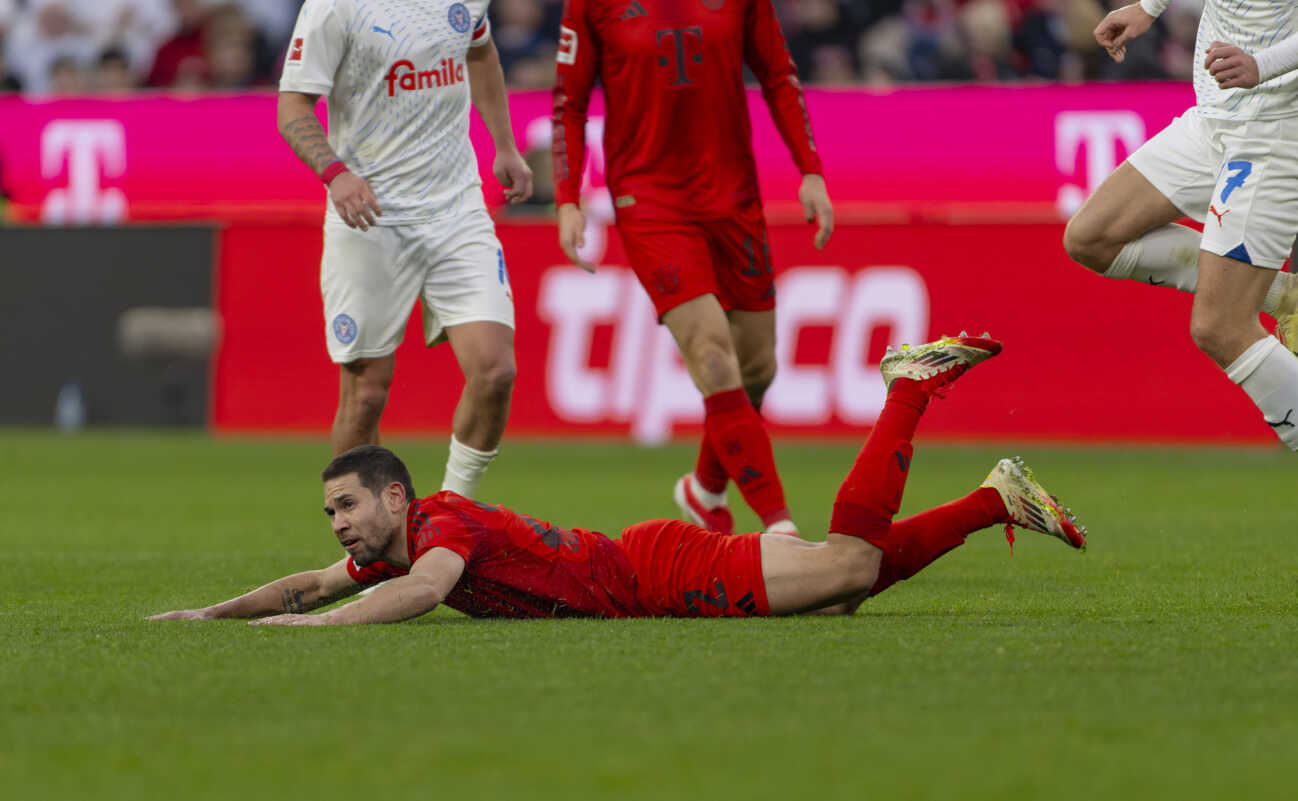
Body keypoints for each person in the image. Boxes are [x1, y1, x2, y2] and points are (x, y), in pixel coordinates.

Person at [150, 335, 1088, 626]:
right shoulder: (393, 547)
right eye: (331, 512)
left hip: (657, 575)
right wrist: (212, 616)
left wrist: (308, 636)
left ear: (396, 496)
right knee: (848, 583)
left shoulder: (439, 530)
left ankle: (911, 390)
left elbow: (426, 592)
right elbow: (305, 582)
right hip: (648, 565)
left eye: (347, 505)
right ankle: (991, 499)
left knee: (845, 569)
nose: (339, 525)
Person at [550, 0, 835, 538]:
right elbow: (569, 102)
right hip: (649, 200)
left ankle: (705, 489)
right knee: (710, 352)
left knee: (758, 369)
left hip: (733, 197)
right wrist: (568, 199)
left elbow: (778, 74)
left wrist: (810, 170)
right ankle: (780, 526)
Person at [277, 0, 534, 498]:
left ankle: (453, 515)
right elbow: (293, 107)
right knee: (366, 395)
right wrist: (336, 174)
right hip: (371, 216)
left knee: (496, 370)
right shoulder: (334, 8)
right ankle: (369, 545)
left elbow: (480, 54)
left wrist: (504, 144)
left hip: (456, 210)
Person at [1063, 1, 1298, 449]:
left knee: (1221, 327)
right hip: (1211, 119)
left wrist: (1261, 64)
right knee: (1091, 237)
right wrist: (1149, 8)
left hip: (1273, 129)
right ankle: (1283, 296)